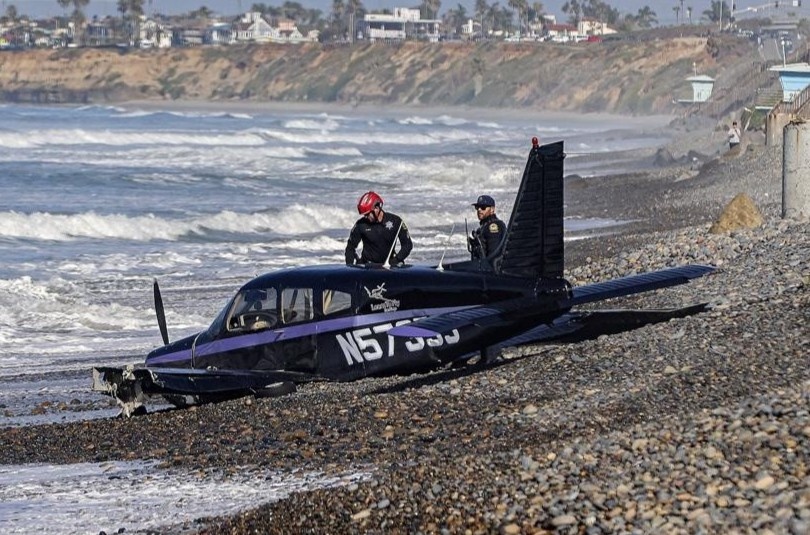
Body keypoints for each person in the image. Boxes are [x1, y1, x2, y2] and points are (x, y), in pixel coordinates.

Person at [345, 191, 412, 266]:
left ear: (377, 208)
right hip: (367, 267)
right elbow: (350, 248)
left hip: (389, 266)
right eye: (364, 215)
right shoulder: (360, 224)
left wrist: (396, 260)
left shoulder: (396, 221)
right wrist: (349, 266)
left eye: (367, 214)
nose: (366, 217)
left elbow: (407, 245)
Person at [468, 194, 506, 260]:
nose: (479, 210)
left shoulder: (494, 226)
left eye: (483, 207)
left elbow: (494, 255)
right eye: (477, 207)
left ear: (492, 209)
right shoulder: (484, 227)